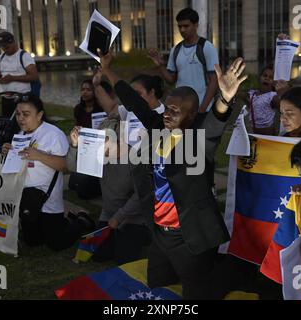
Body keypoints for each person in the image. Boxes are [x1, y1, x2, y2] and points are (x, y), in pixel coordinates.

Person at [99, 49, 247, 299]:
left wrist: (225, 99)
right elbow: (133, 101)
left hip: (187, 235)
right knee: (157, 284)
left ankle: (222, 275)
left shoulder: (199, 142)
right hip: (159, 233)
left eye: (176, 111)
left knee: (198, 293)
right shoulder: (158, 126)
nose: (167, 114)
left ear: (191, 117)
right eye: (167, 108)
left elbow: (215, 122)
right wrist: (106, 70)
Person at [1, 93, 94, 250]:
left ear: (40, 115)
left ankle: (80, 221)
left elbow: (65, 166)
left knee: (57, 244)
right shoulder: (20, 134)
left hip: (47, 199)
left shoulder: (53, 134)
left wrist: (39, 155)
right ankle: (64, 222)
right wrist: (9, 151)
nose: (20, 118)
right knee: (33, 241)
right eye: (17, 114)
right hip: (28, 198)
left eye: (26, 114)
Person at [70, 115, 151, 265]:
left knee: (123, 260)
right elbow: (73, 169)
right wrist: (76, 147)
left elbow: (140, 195)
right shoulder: (99, 153)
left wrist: (119, 217)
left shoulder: (136, 159)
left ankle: (147, 234)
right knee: (99, 255)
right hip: (109, 214)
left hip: (134, 217)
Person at [148, 7, 219, 113]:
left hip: (202, 110)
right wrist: (160, 66)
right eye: (180, 26)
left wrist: (202, 108)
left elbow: (214, 80)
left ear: (196, 25)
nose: (182, 30)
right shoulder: (175, 50)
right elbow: (171, 80)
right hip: (181, 110)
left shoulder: (206, 47)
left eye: (186, 26)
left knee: (199, 131)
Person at [0, 31, 39, 118]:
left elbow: (34, 76)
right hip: (6, 98)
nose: (4, 48)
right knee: (7, 125)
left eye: (6, 46)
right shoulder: (1, 57)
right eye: (2, 46)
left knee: (23, 124)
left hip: (22, 99)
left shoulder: (24, 56)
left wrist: (13, 78)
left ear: (13, 43)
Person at [246, 66, 279, 135]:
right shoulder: (252, 94)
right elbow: (240, 95)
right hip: (253, 133)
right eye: (265, 75)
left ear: (274, 82)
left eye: (271, 77)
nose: (267, 78)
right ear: (260, 77)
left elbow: (282, 106)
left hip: (268, 135)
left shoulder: (273, 96)